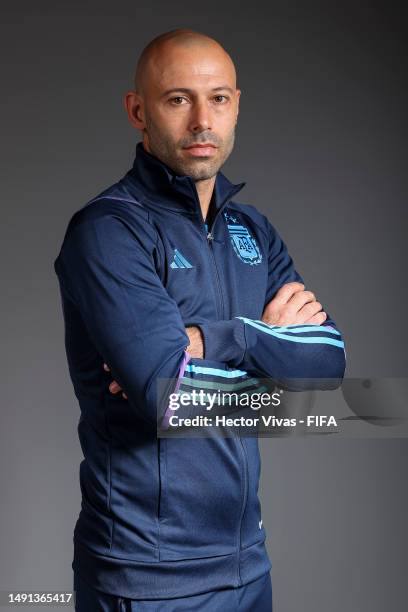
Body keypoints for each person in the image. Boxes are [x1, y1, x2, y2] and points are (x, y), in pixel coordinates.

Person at [54, 27, 346, 611]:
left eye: (217, 98)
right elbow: (165, 396)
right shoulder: (110, 232)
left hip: (247, 567)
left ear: (236, 104)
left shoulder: (252, 231)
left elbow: (327, 369)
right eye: (177, 99)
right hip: (147, 575)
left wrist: (211, 343)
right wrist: (263, 352)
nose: (201, 122)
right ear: (138, 110)